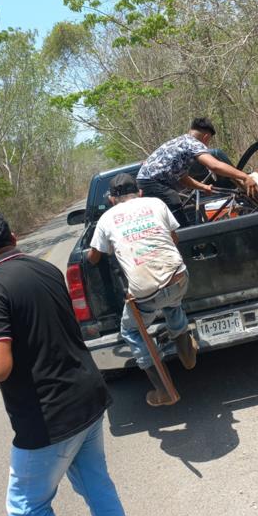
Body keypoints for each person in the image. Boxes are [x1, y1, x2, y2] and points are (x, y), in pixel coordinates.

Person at [0, 212, 136, 516]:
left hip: (50, 417)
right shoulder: (45, 269)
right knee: (98, 488)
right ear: (14, 238)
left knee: (27, 510)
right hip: (89, 397)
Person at [87, 173, 199, 407]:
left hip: (145, 290)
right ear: (139, 192)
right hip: (179, 276)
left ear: (111, 199)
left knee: (131, 331)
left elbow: (93, 258)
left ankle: (164, 390)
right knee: (172, 302)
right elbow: (174, 238)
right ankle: (188, 357)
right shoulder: (156, 203)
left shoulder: (107, 219)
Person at [136, 117, 258, 226]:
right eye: (209, 140)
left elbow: (182, 177)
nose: (207, 145)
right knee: (173, 200)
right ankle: (188, 237)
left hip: (144, 181)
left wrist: (203, 187)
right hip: (151, 182)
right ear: (206, 137)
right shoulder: (193, 143)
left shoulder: (180, 142)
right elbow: (214, 165)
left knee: (170, 210)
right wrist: (245, 177)